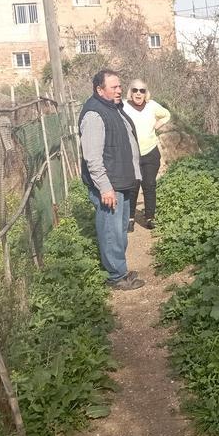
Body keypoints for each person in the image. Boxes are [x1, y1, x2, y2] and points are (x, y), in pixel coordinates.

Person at [79, 69, 145, 290]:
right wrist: (105, 188)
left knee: (119, 231)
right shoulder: (94, 114)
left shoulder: (113, 108)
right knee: (110, 232)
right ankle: (116, 277)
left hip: (122, 181)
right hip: (109, 186)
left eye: (119, 86)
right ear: (100, 89)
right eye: (114, 87)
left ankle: (120, 269)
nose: (119, 90)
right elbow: (93, 158)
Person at [122, 79, 171, 231]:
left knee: (149, 185)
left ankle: (150, 218)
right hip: (131, 154)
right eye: (135, 90)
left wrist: (157, 125)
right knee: (133, 186)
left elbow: (166, 114)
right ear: (130, 91)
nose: (138, 93)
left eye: (142, 90)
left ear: (146, 93)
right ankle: (130, 219)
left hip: (150, 152)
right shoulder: (122, 106)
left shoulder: (152, 106)